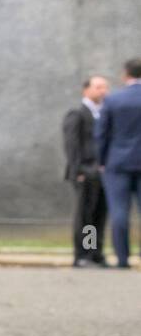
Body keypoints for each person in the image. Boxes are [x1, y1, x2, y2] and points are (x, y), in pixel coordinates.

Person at [97, 58, 141, 269]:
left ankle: (122, 259)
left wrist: (102, 160)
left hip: (117, 163)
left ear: (126, 75)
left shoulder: (113, 100)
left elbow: (102, 134)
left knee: (119, 212)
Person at [63, 76, 110, 268]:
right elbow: (71, 146)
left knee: (100, 215)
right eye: (98, 87)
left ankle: (96, 253)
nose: (103, 91)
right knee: (85, 217)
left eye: (105, 87)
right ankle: (83, 254)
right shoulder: (77, 114)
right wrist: (78, 171)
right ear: (86, 90)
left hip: (103, 174)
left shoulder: (105, 114)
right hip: (85, 172)